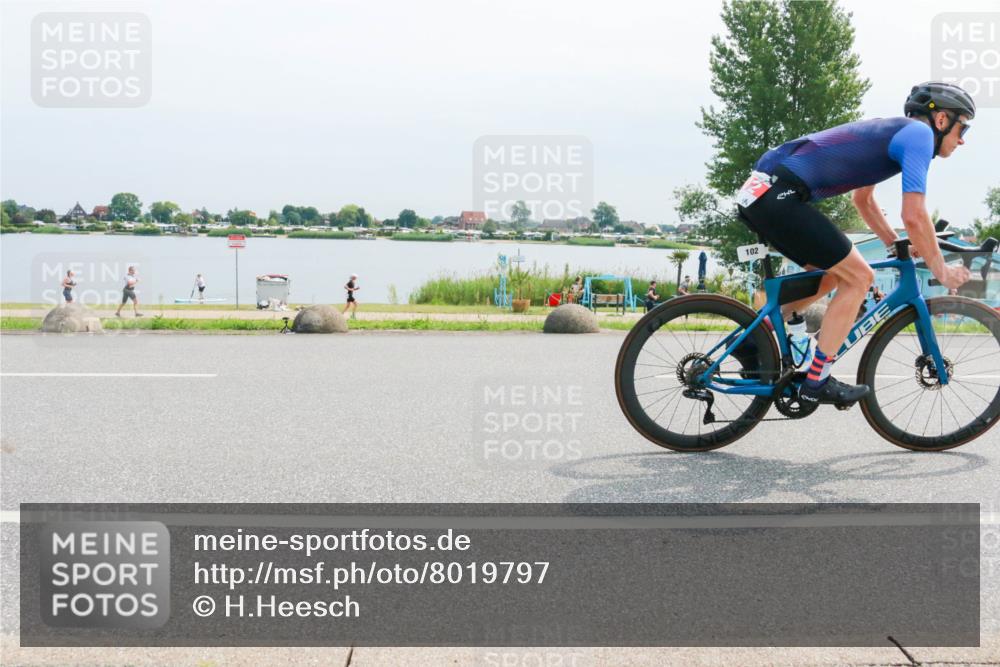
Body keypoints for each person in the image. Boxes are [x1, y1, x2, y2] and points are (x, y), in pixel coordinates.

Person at [737, 81, 973, 406]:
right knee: (861, 277)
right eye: (963, 127)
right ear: (942, 120)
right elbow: (915, 215)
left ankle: (752, 340)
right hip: (780, 195)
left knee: (830, 274)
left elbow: (863, 200)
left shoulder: (896, 134)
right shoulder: (919, 136)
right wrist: (942, 272)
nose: (962, 139)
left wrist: (894, 243)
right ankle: (817, 380)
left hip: (765, 193)